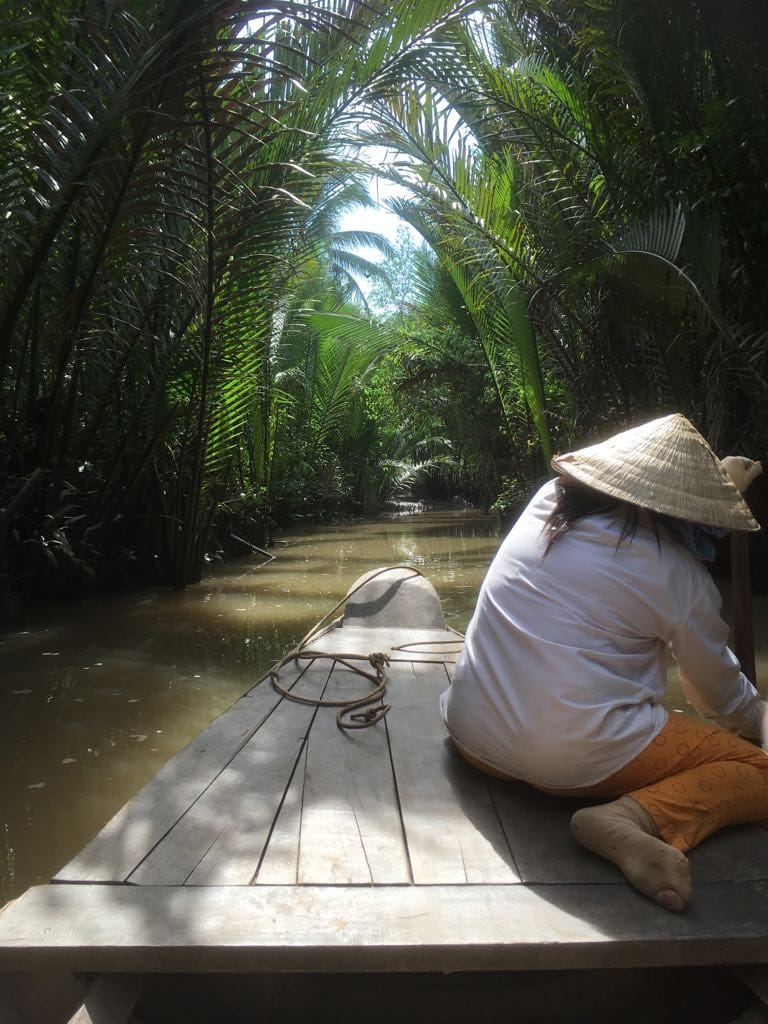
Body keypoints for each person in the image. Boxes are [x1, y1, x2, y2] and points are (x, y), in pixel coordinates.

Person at [440, 413, 768, 912]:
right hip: (575, 763)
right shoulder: (676, 573)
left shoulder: (546, 502)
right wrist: (759, 716)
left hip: (472, 736)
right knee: (756, 768)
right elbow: (717, 698)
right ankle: (627, 819)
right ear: (688, 513)